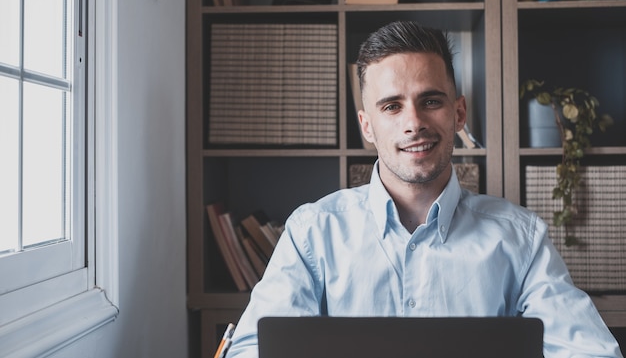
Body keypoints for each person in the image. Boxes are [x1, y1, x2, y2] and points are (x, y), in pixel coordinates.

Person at [225, 21, 623, 358]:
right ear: (367, 126)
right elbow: (251, 350)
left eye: (430, 100)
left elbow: (590, 351)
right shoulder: (312, 232)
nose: (413, 123)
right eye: (392, 106)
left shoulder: (521, 239)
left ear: (459, 113)